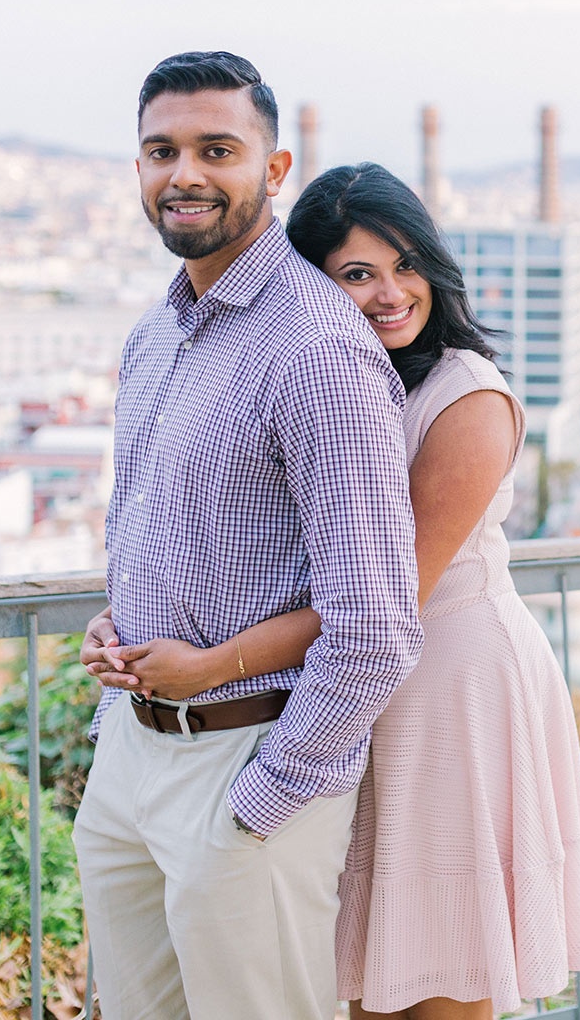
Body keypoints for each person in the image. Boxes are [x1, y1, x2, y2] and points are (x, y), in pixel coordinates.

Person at [84, 162, 580, 1020]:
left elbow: (389, 599)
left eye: (406, 266)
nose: (391, 294)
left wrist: (211, 665)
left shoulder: (464, 399)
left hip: (443, 688)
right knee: (348, 968)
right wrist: (132, 619)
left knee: (441, 961)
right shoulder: (325, 372)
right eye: (356, 274)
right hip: (335, 690)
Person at [71, 53, 423, 1020]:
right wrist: (117, 626)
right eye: (161, 151)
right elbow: (161, 539)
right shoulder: (154, 338)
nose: (184, 173)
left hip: (245, 759)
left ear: (273, 172)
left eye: (216, 149)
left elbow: (378, 622)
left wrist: (265, 801)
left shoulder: (317, 347)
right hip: (132, 763)